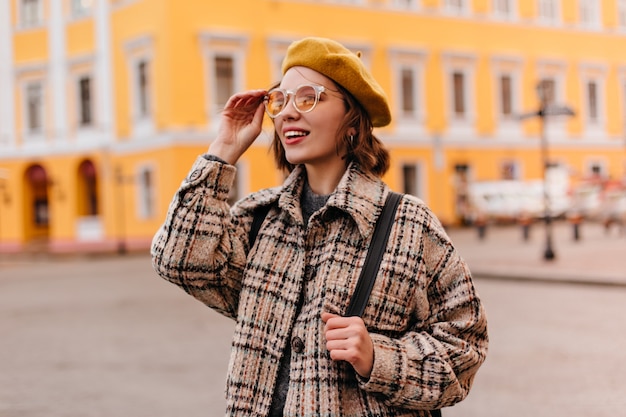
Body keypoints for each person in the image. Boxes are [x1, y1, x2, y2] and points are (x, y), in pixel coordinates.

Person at [151, 36, 488, 417]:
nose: (288, 113)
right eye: (281, 100)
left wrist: (379, 357)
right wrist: (223, 149)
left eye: (309, 97)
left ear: (351, 119)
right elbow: (178, 262)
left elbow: (465, 348)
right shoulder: (260, 219)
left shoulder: (408, 224)